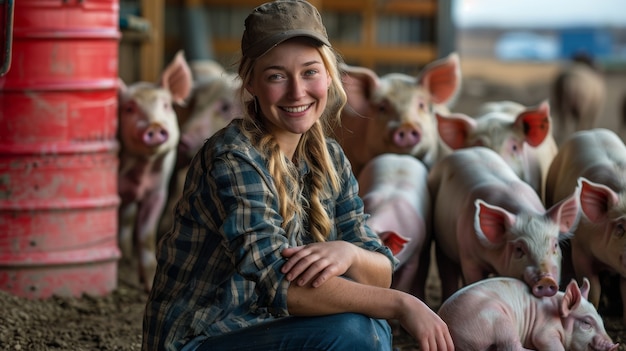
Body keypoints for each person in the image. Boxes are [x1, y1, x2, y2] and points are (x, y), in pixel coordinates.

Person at [142, 1, 454, 350]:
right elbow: (279, 285)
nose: (296, 92)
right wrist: (403, 303)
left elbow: (380, 273)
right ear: (250, 83)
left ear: (329, 75)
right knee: (357, 331)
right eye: (276, 76)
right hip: (202, 339)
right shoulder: (232, 157)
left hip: (270, 328)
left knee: (369, 324)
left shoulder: (331, 157)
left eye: (309, 72)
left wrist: (349, 254)